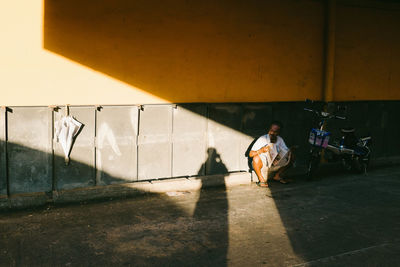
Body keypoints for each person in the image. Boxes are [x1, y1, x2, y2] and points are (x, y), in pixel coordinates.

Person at [249, 121, 295, 187]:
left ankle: (277, 176)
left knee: (292, 156)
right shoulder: (262, 139)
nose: (272, 133)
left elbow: (285, 150)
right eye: (271, 130)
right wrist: (261, 150)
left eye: (275, 131)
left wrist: (290, 151)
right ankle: (261, 179)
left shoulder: (280, 139)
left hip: (274, 163)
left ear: (279, 132)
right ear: (269, 129)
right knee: (255, 158)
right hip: (263, 164)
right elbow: (251, 154)